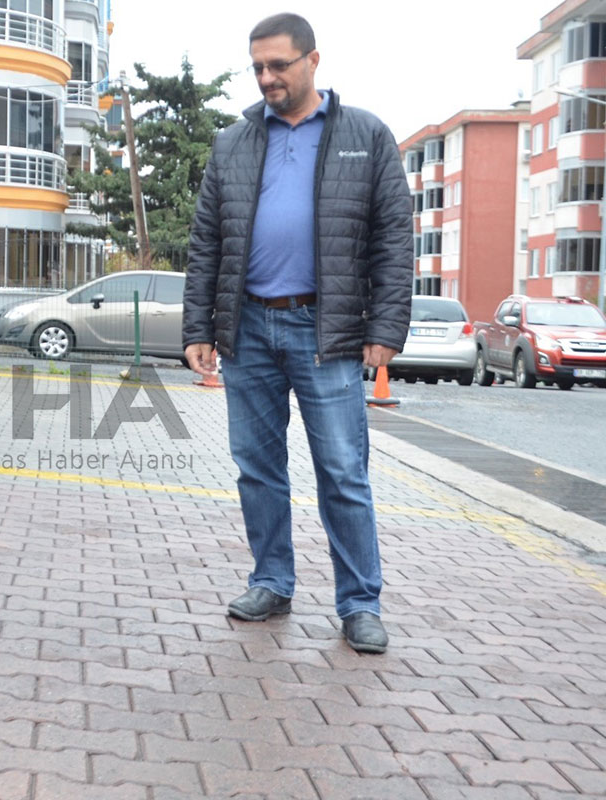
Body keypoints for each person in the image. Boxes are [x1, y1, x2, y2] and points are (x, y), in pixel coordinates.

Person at [182, 12, 412, 654]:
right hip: (246, 326)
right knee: (257, 467)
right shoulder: (233, 141)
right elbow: (207, 243)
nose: (266, 77)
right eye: (257, 66)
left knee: (342, 469)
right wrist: (198, 325)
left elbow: (395, 239)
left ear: (314, 61)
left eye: (278, 65)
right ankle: (272, 581)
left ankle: (360, 603)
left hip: (328, 328)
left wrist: (387, 325)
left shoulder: (365, 135)